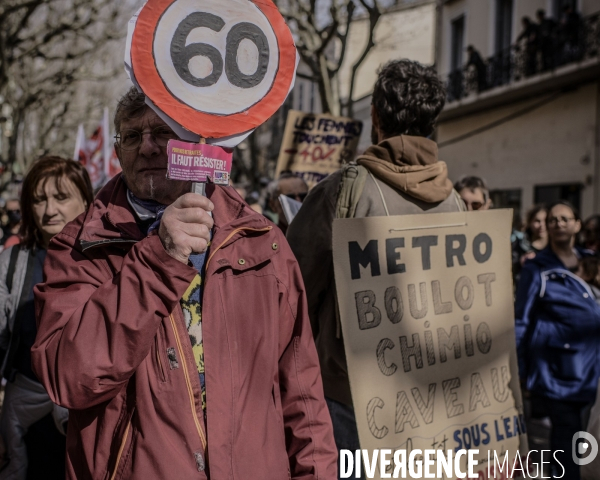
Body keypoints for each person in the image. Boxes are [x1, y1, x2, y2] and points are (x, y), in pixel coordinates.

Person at [31, 87, 337, 480]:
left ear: (195, 142)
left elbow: (302, 392)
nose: (147, 147)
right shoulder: (81, 247)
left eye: (162, 132)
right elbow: (69, 377)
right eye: (131, 136)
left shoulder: (262, 242)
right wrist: (160, 258)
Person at [287, 59, 465, 477]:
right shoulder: (454, 200)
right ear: (433, 121)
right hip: (428, 398)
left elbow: (291, 290)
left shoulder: (343, 190)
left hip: (349, 397)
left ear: (375, 117)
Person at [0, 156, 94, 480]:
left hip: (88, 414)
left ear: (85, 199)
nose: (50, 209)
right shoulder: (12, 263)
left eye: (61, 197)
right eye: (39, 200)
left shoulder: (110, 258)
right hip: (23, 413)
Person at [515, 200, 600, 480]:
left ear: (577, 224)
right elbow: (522, 321)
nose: (559, 223)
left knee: (581, 436)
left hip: (590, 368)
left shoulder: (590, 262)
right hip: (556, 371)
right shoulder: (536, 268)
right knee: (566, 436)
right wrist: (521, 371)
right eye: (553, 219)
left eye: (565, 219)